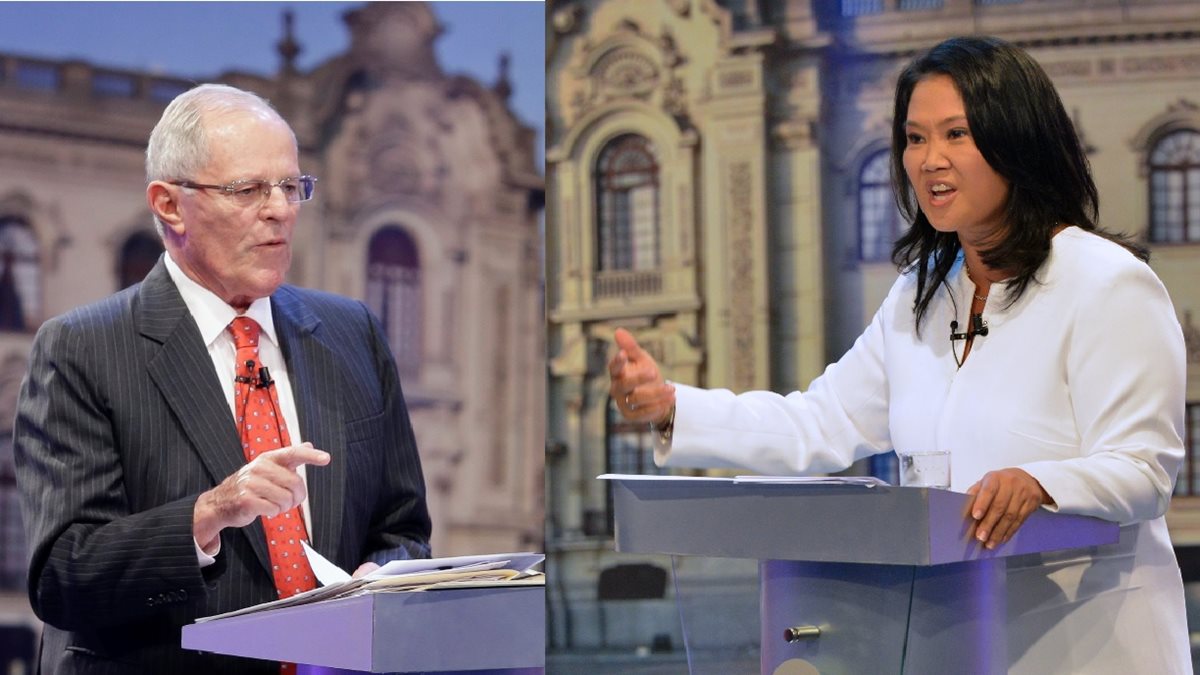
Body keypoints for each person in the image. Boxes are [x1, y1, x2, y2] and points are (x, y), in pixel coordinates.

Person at [609, 36, 1190, 674]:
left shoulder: (1106, 282)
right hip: (957, 639)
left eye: (956, 135)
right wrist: (673, 409)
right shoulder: (920, 293)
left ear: (1016, 141)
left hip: (1089, 643)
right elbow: (823, 422)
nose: (929, 160)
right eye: (915, 138)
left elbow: (1144, 470)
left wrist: (1041, 484)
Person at [13, 84, 431, 674]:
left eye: (291, 186)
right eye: (248, 190)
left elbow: (403, 528)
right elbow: (63, 574)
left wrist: (379, 579)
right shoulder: (81, 348)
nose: (280, 209)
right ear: (169, 205)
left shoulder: (352, 333)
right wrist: (209, 512)